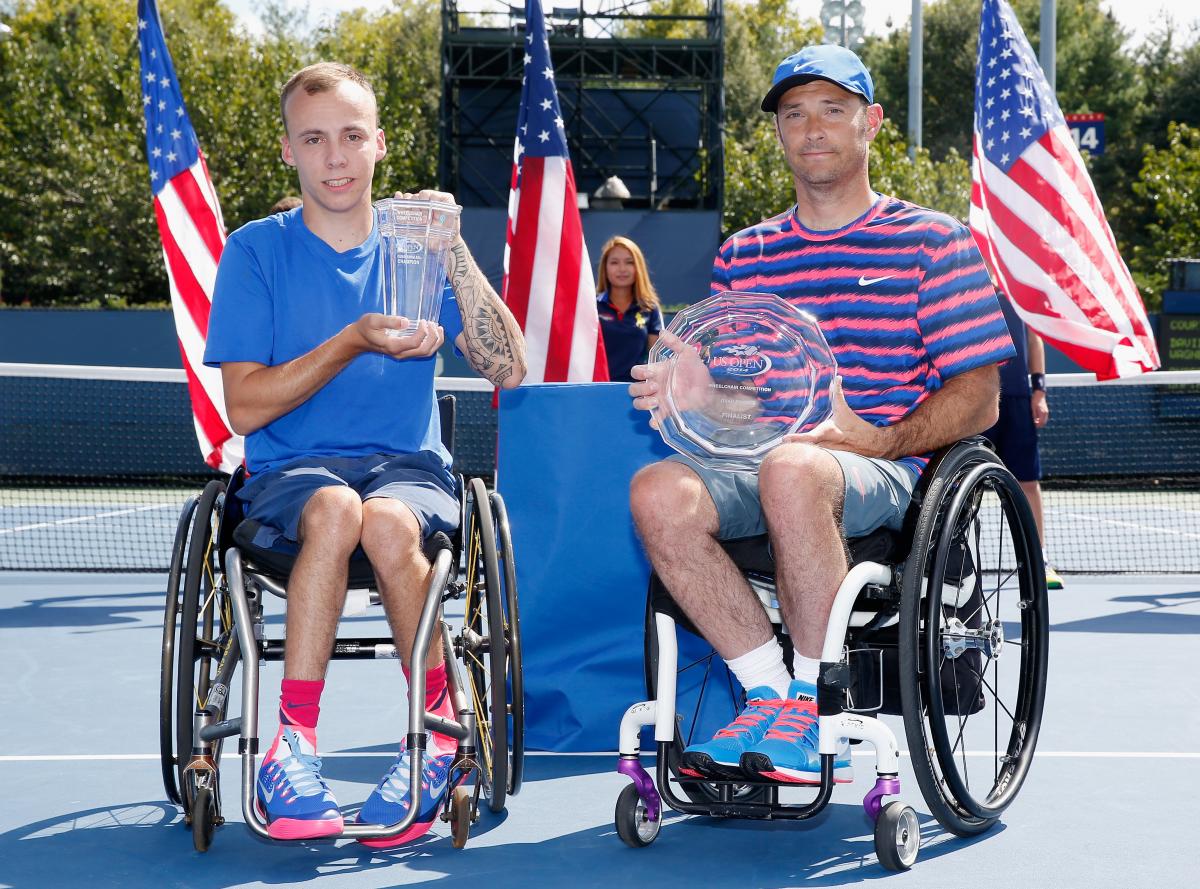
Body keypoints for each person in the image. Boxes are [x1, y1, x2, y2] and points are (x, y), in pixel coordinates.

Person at [628, 45, 1015, 785]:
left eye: (832, 110)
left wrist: (881, 437)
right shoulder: (746, 255)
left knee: (794, 467)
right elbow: (747, 401)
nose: (812, 128)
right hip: (766, 464)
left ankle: (814, 701)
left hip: (884, 469)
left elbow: (981, 395)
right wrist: (702, 397)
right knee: (657, 490)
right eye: (794, 113)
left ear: (870, 123)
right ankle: (773, 692)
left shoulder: (934, 242)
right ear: (778, 133)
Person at [203, 62, 526, 846]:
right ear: (288, 152)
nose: (336, 156)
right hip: (289, 477)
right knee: (337, 508)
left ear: (379, 144)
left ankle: (440, 734)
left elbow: (510, 366)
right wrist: (350, 340)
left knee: (383, 520)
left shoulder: (418, 245)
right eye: (314, 139)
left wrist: (454, 252)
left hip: (406, 472)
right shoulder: (254, 252)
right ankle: (295, 748)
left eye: (351, 136)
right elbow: (243, 406)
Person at [985, 296, 1065, 589]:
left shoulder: (1016, 285)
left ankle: (1038, 560)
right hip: (974, 399)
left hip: (1017, 400)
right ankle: (957, 564)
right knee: (960, 487)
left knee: (1027, 483)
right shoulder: (961, 277)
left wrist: (1039, 392)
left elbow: (1034, 340)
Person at [595, 236, 664, 382]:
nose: (622, 269)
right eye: (614, 262)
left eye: (629, 262)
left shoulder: (649, 308)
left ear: (638, 267)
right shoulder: (592, 306)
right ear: (605, 268)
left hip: (637, 394)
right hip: (597, 390)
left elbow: (657, 360)